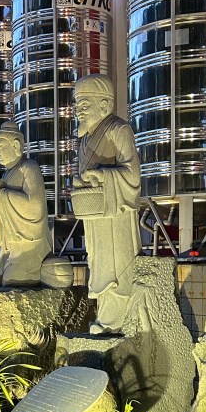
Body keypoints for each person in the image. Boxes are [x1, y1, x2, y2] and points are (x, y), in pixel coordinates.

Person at [72, 75, 141, 335]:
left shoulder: (119, 130)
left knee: (116, 263)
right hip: (95, 213)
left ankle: (116, 320)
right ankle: (104, 315)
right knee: (98, 262)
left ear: (104, 105)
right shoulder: (84, 140)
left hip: (116, 213)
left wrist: (103, 175)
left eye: (84, 105)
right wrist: (82, 181)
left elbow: (133, 175)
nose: (78, 111)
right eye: (77, 105)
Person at [0, 122, 50, 286]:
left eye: (1, 147)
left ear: (16, 145)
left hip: (29, 246)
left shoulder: (29, 168)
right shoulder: (6, 175)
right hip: (9, 246)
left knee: (9, 281)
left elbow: (35, 208)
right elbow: (0, 211)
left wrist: (1, 193)